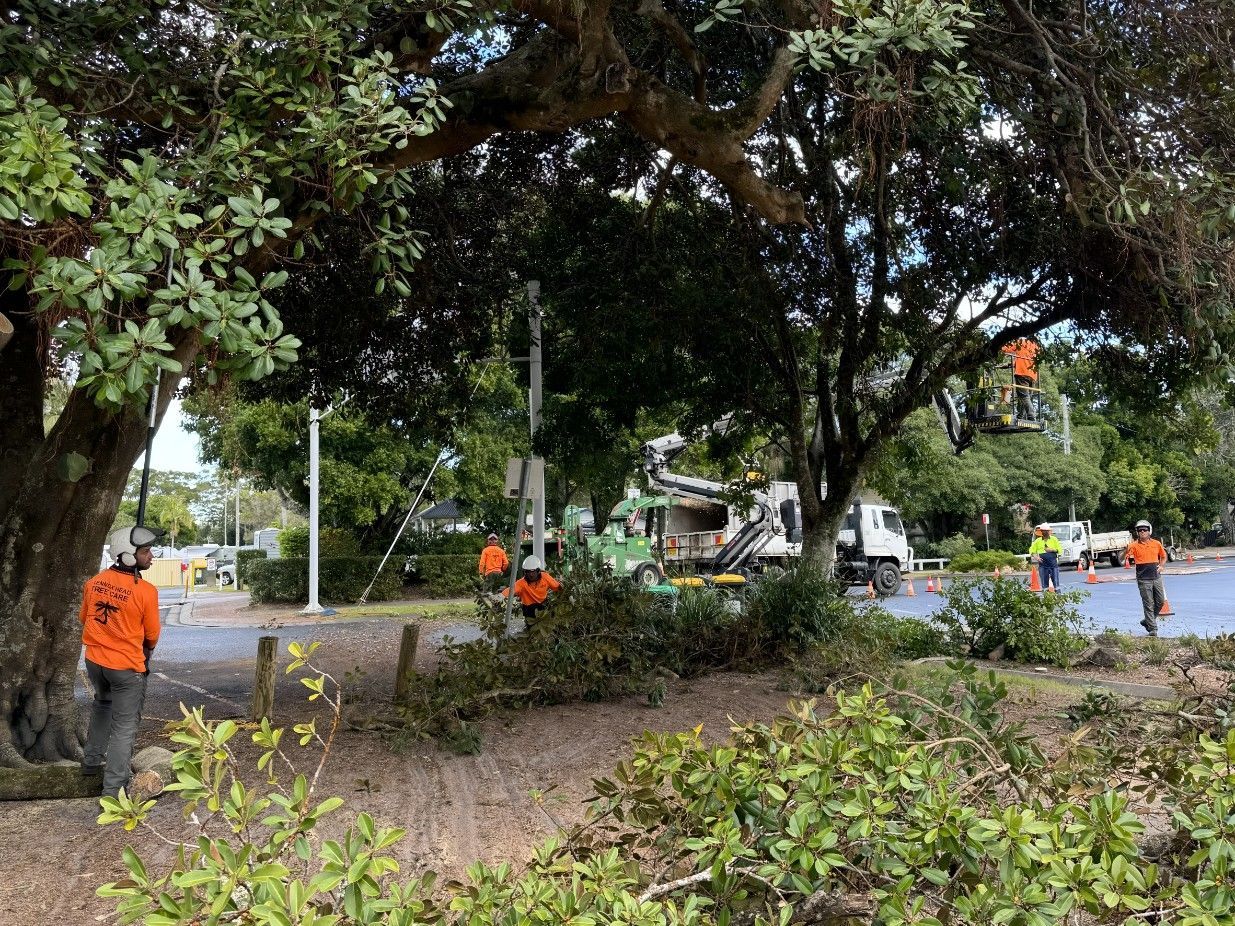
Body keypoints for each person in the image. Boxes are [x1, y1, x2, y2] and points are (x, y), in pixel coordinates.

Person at [80, 525, 163, 798]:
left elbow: (85, 619)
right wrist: (146, 650)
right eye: (146, 551)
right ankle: (112, 790)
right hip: (126, 668)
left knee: (102, 704)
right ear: (128, 554)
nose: (151, 556)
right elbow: (151, 635)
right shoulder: (146, 591)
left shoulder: (94, 583)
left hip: (94, 662)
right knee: (124, 727)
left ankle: (91, 762)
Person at [1123, 519, 1168, 636]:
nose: (1142, 532)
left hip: (1156, 576)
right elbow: (1124, 558)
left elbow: (1163, 556)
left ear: (1149, 531)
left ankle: (1147, 620)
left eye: (1145, 530)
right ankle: (1153, 629)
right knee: (1148, 603)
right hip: (1143, 578)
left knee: (1160, 601)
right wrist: (1125, 550)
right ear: (1137, 532)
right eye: (1140, 530)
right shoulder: (1133, 545)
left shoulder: (1156, 544)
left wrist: (1162, 566)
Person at [501, 555, 561, 627]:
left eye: (533, 571)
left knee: (549, 625)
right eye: (528, 572)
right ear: (525, 572)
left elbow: (557, 587)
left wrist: (567, 592)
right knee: (532, 630)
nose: (531, 574)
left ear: (538, 571)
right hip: (529, 610)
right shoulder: (522, 583)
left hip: (543, 606)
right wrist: (499, 596)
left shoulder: (545, 577)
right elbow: (510, 590)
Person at [1001, 339, 1040, 419]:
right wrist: (1009, 364)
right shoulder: (1036, 346)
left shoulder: (1020, 342)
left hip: (1022, 373)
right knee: (1027, 397)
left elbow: (1005, 349)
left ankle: (1031, 415)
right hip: (1033, 375)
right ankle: (1020, 415)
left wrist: (995, 347)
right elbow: (1024, 359)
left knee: (1023, 396)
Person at [1028, 522, 1062, 591]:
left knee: (1056, 583)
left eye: (1047, 531)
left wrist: (1052, 550)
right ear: (1042, 531)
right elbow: (1031, 550)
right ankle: (1046, 598)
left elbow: (1060, 550)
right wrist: (1037, 558)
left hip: (1053, 565)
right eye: (1044, 531)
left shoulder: (1054, 539)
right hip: (1043, 565)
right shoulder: (1038, 541)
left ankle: (1058, 597)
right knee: (1044, 584)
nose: (1046, 532)